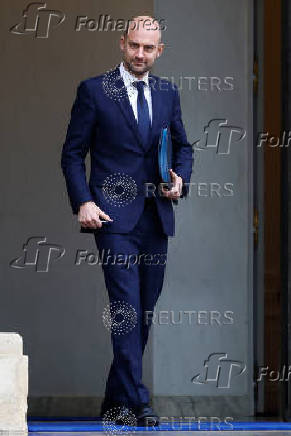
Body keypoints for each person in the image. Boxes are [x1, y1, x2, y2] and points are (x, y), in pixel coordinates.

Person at [61, 14, 193, 426]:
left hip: (156, 216)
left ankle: (115, 403)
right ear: (122, 44)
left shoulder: (168, 93)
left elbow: (184, 148)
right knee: (127, 309)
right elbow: (71, 154)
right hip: (112, 218)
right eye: (134, 45)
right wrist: (82, 201)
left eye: (148, 48)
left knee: (144, 312)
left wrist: (180, 180)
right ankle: (140, 402)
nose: (140, 54)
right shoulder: (95, 91)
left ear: (160, 51)